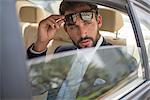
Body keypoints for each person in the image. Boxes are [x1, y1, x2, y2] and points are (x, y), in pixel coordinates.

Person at [27, 0, 112, 59]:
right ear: (66, 29)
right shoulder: (62, 53)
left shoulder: (118, 57)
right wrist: (41, 44)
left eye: (87, 23)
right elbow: (34, 80)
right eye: (73, 26)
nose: (82, 34)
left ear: (99, 21)